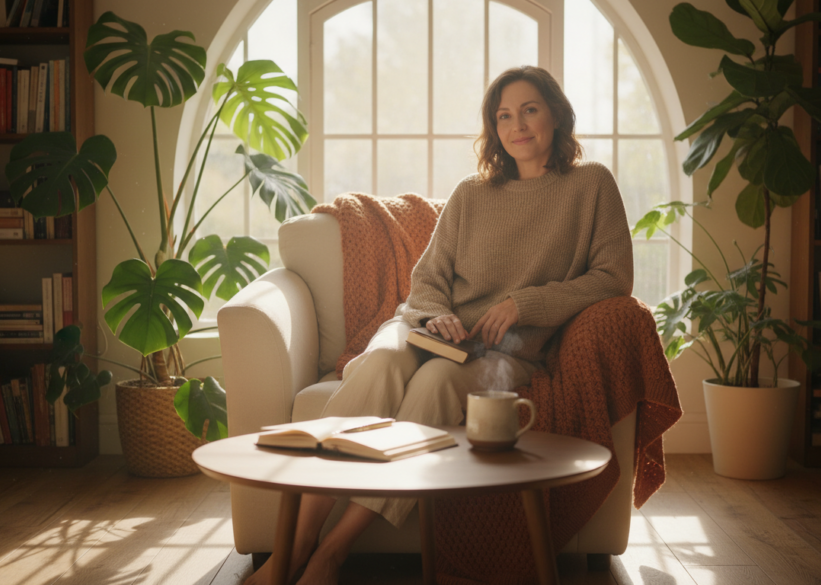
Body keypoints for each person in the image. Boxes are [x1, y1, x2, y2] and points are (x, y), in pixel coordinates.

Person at [246, 65, 634, 585]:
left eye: (529, 110)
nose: (516, 125)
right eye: (503, 116)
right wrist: (436, 313)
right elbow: (426, 279)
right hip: (426, 326)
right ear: (493, 129)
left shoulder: (591, 186)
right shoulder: (471, 194)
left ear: (557, 115)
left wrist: (526, 304)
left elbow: (613, 278)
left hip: (504, 350)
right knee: (381, 363)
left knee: (432, 385)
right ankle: (293, 547)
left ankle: (333, 552)